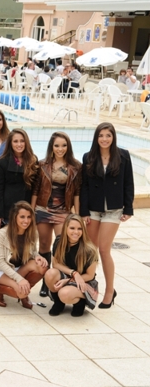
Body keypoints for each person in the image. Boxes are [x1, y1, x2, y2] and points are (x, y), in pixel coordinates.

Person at [80, 123, 134, 309]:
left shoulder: (123, 155)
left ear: (113, 137)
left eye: (108, 135)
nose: (104, 139)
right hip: (93, 209)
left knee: (104, 250)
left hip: (113, 209)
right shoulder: (88, 157)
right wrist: (84, 211)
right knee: (91, 250)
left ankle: (110, 291)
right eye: (101, 135)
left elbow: (128, 182)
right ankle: (88, 286)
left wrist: (128, 208)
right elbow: (84, 186)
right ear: (96, 137)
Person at [31, 131, 81, 297]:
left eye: (64, 145)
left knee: (61, 246)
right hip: (43, 210)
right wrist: (31, 210)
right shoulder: (42, 164)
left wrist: (77, 215)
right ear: (51, 147)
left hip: (63, 211)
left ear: (68, 146)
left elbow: (77, 193)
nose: (60, 149)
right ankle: (46, 282)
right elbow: (36, 190)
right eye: (57, 145)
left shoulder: (76, 167)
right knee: (44, 245)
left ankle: (59, 280)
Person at [0, 201, 48, 309]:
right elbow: (0, 262)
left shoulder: (32, 232)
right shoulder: (2, 234)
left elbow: (33, 252)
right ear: (14, 217)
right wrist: (19, 279)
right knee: (20, 293)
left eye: (29, 217)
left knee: (42, 266)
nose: (26, 221)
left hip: (19, 269)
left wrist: (38, 256)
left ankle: (25, 289)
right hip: (2, 271)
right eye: (22, 217)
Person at [44, 215, 99, 317]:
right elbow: (55, 264)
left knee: (64, 294)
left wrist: (69, 280)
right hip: (70, 275)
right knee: (50, 274)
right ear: (65, 228)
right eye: (72, 228)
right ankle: (58, 303)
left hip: (84, 281)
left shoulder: (89, 249)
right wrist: (73, 273)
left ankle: (80, 303)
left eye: (79, 229)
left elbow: (90, 275)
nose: (76, 232)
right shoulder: (59, 241)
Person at [0, 129, 38, 227]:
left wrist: (32, 209)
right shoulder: (1, 162)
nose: (19, 144)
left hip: (26, 209)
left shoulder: (33, 160)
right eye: (15, 141)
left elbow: (35, 188)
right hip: (8, 210)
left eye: (22, 141)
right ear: (10, 143)